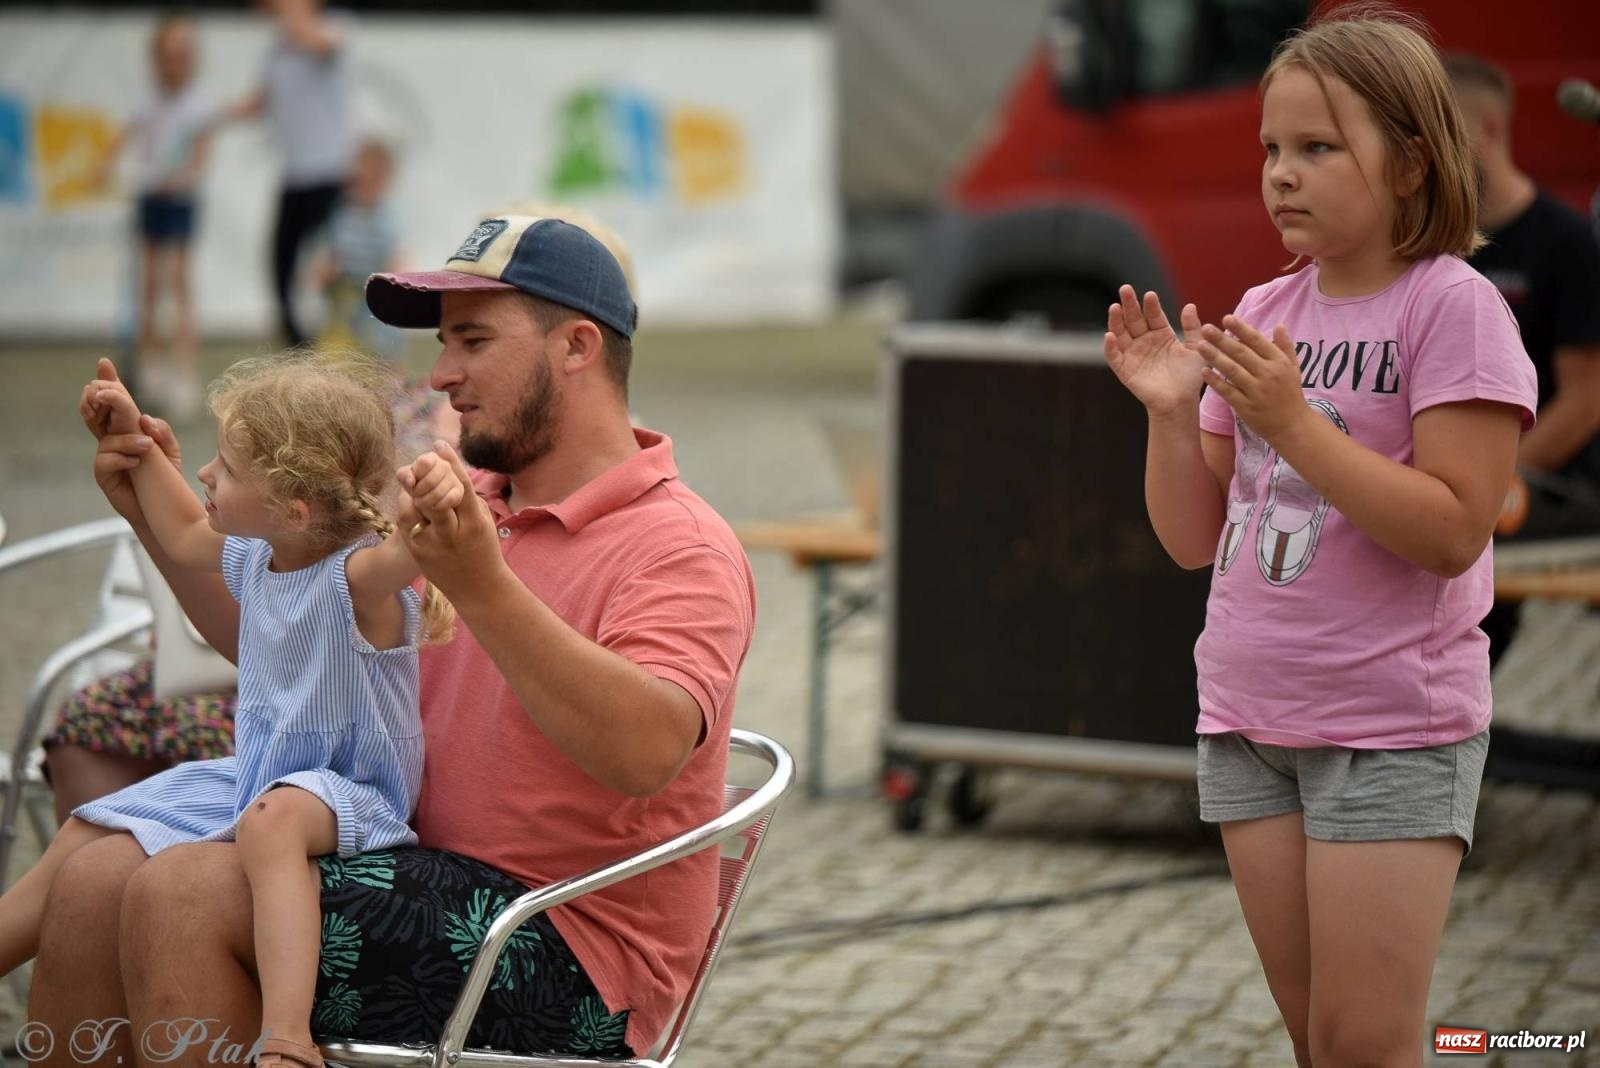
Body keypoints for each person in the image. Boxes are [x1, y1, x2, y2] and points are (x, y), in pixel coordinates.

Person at [30, 216, 754, 1064]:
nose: (442, 376)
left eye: (473, 342)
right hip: (404, 855)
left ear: (578, 346)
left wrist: (482, 584)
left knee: (186, 893)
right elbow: (287, 639)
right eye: (444, 345)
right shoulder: (460, 501)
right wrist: (146, 515)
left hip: (569, 942)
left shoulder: (679, 545)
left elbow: (644, 753)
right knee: (91, 879)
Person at [1103, 9, 1535, 1067]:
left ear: (1410, 163)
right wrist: (1168, 412)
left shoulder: (1454, 308)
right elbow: (1193, 538)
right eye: (1269, 149)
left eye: (1316, 147)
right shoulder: (1261, 310)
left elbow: (1452, 529)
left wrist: (1296, 424)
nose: (1279, 175)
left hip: (1388, 729)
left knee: (1364, 1044)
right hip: (1247, 718)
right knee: (1315, 1045)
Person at [9, 353, 454, 1064]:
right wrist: (142, 447)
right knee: (93, 827)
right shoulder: (255, 551)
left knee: (273, 826)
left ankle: (286, 1033)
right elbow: (183, 532)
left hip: (352, 793)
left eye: (227, 468)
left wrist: (428, 502)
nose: (207, 477)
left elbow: (419, 549)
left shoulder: (359, 579)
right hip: (263, 775)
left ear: (294, 508)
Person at [1445, 53, 1600, 664]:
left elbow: (1586, 401)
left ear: (1488, 130)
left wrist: (1489, 482)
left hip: (1541, 490)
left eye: (1440, 130)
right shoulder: (1430, 243)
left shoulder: (1565, 243)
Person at [98, 13, 216, 419]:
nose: (174, 64)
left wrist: (181, 177)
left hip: (180, 201)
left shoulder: (198, 105)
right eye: (167, 56)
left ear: (192, 60)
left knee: (179, 282)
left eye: (181, 56)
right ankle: (151, 370)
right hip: (151, 198)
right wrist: (106, 164)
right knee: (148, 285)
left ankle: (184, 371)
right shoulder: (147, 100)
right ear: (156, 59)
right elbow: (126, 134)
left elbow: (201, 155)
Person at [225, 0, 355, 347]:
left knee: (327, 263)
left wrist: (289, 12)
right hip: (294, 174)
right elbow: (260, 100)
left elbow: (323, 44)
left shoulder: (333, 26)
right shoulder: (275, 48)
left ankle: (338, 335)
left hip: (329, 172)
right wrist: (213, 117)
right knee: (280, 265)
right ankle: (299, 346)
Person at [315, 139, 406, 363]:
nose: (368, 186)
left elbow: (399, 255)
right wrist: (326, 271)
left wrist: (394, 278)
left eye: (376, 178)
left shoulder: (390, 217)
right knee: (337, 355)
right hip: (344, 299)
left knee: (382, 356)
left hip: (376, 297)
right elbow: (325, 254)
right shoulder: (340, 214)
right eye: (363, 178)